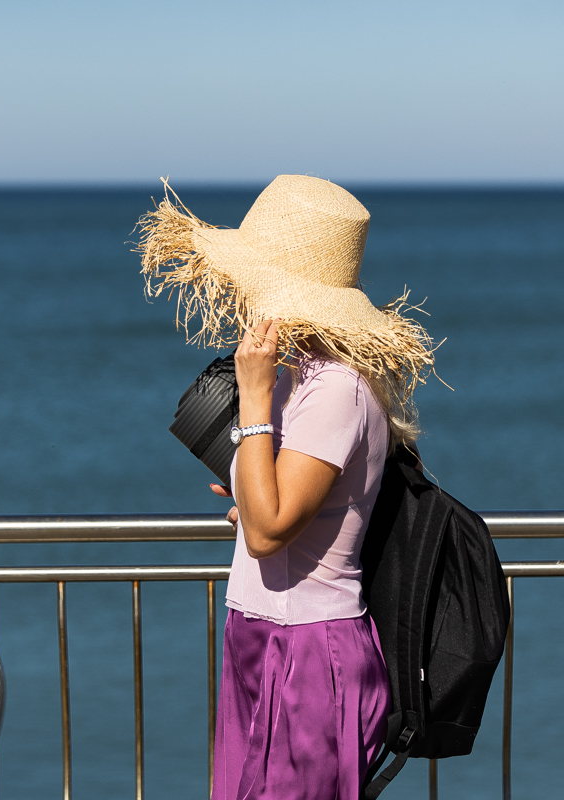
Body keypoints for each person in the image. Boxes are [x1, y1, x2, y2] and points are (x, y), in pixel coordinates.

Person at [136, 175, 437, 800]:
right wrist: (250, 495)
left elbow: (272, 532)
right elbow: (277, 514)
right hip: (263, 633)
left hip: (306, 648)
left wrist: (250, 396)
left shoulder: (335, 388)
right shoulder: (300, 377)